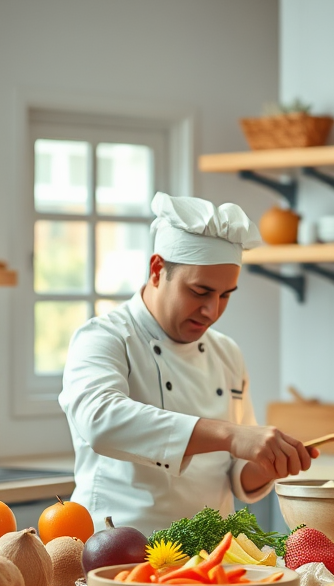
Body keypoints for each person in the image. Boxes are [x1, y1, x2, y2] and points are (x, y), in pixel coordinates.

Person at [59, 192, 318, 535]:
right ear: (157, 270)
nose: (212, 311)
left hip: (209, 555)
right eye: (200, 291)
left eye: (226, 295)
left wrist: (269, 465)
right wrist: (230, 435)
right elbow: (100, 421)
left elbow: (236, 472)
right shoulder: (104, 338)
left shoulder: (227, 353)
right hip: (117, 550)